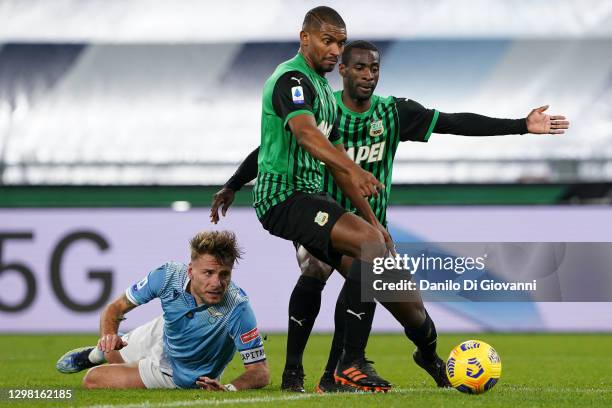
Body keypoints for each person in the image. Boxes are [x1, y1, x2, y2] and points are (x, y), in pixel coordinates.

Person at [210, 40, 570, 393]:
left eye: (375, 68)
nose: (368, 75)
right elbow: (270, 149)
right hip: (318, 215)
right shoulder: (323, 109)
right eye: (361, 67)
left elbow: (453, 122)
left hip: (369, 224)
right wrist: (234, 183)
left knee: (411, 309)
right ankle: (309, 372)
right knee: (316, 273)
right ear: (343, 70)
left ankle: (426, 355)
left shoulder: (393, 113)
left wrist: (521, 125)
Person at [242, 5, 401, 393]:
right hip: (283, 196)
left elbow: (340, 167)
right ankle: (349, 365)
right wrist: (358, 173)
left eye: (340, 42)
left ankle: (322, 375)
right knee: (365, 250)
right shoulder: (292, 79)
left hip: (312, 196)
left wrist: (374, 220)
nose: (335, 49)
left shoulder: (324, 95)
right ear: (305, 38)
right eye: (327, 40)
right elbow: (304, 135)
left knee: (369, 260)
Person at [55, 230, 270, 391]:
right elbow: (116, 308)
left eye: (224, 274)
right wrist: (108, 335)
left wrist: (228, 390)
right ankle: (97, 352)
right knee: (112, 347)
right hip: (162, 330)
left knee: (92, 380)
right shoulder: (167, 276)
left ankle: (107, 355)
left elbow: (260, 372)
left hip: (172, 372)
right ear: (190, 271)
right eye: (208, 273)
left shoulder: (237, 308)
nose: (217, 282)